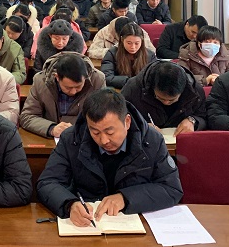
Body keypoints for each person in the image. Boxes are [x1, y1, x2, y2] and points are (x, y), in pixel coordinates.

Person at [37, 89, 182, 225]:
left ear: (127, 122)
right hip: (88, 222)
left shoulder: (151, 140)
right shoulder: (72, 139)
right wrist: (69, 204)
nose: (104, 140)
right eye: (95, 132)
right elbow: (48, 182)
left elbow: (171, 188)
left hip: (134, 220)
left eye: (110, 132)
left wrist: (125, 198)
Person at [20, 52, 105, 138]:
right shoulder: (41, 81)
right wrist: (51, 128)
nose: (73, 92)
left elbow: (103, 117)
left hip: (85, 137)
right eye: (68, 87)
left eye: (78, 86)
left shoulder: (97, 80)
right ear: (57, 77)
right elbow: (27, 116)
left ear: (86, 77)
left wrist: (81, 129)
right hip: (51, 138)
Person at [121, 61, 206, 134]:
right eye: (160, 98)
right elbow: (120, 118)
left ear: (183, 91)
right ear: (152, 86)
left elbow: (203, 116)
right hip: (144, 141)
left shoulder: (195, 91)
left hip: (181, 141)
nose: (166, 103)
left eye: (172, 100)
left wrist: (193, 121)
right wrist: (141, 125)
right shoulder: (133, 89)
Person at [101, 22, 156, 88]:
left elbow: (155, 77)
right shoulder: (112, 54)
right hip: (119, 90)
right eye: (129, 43)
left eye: (137, 43)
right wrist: (131, 81)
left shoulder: (150, 55)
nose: (133, 47)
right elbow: (107, 77)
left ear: (142, 41)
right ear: (122, 40)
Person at [88, 16, 155, 60]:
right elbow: (92, 52)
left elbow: (152, 51)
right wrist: (115, 52)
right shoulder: (104, 32)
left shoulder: (139, 32)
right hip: (113, 62)